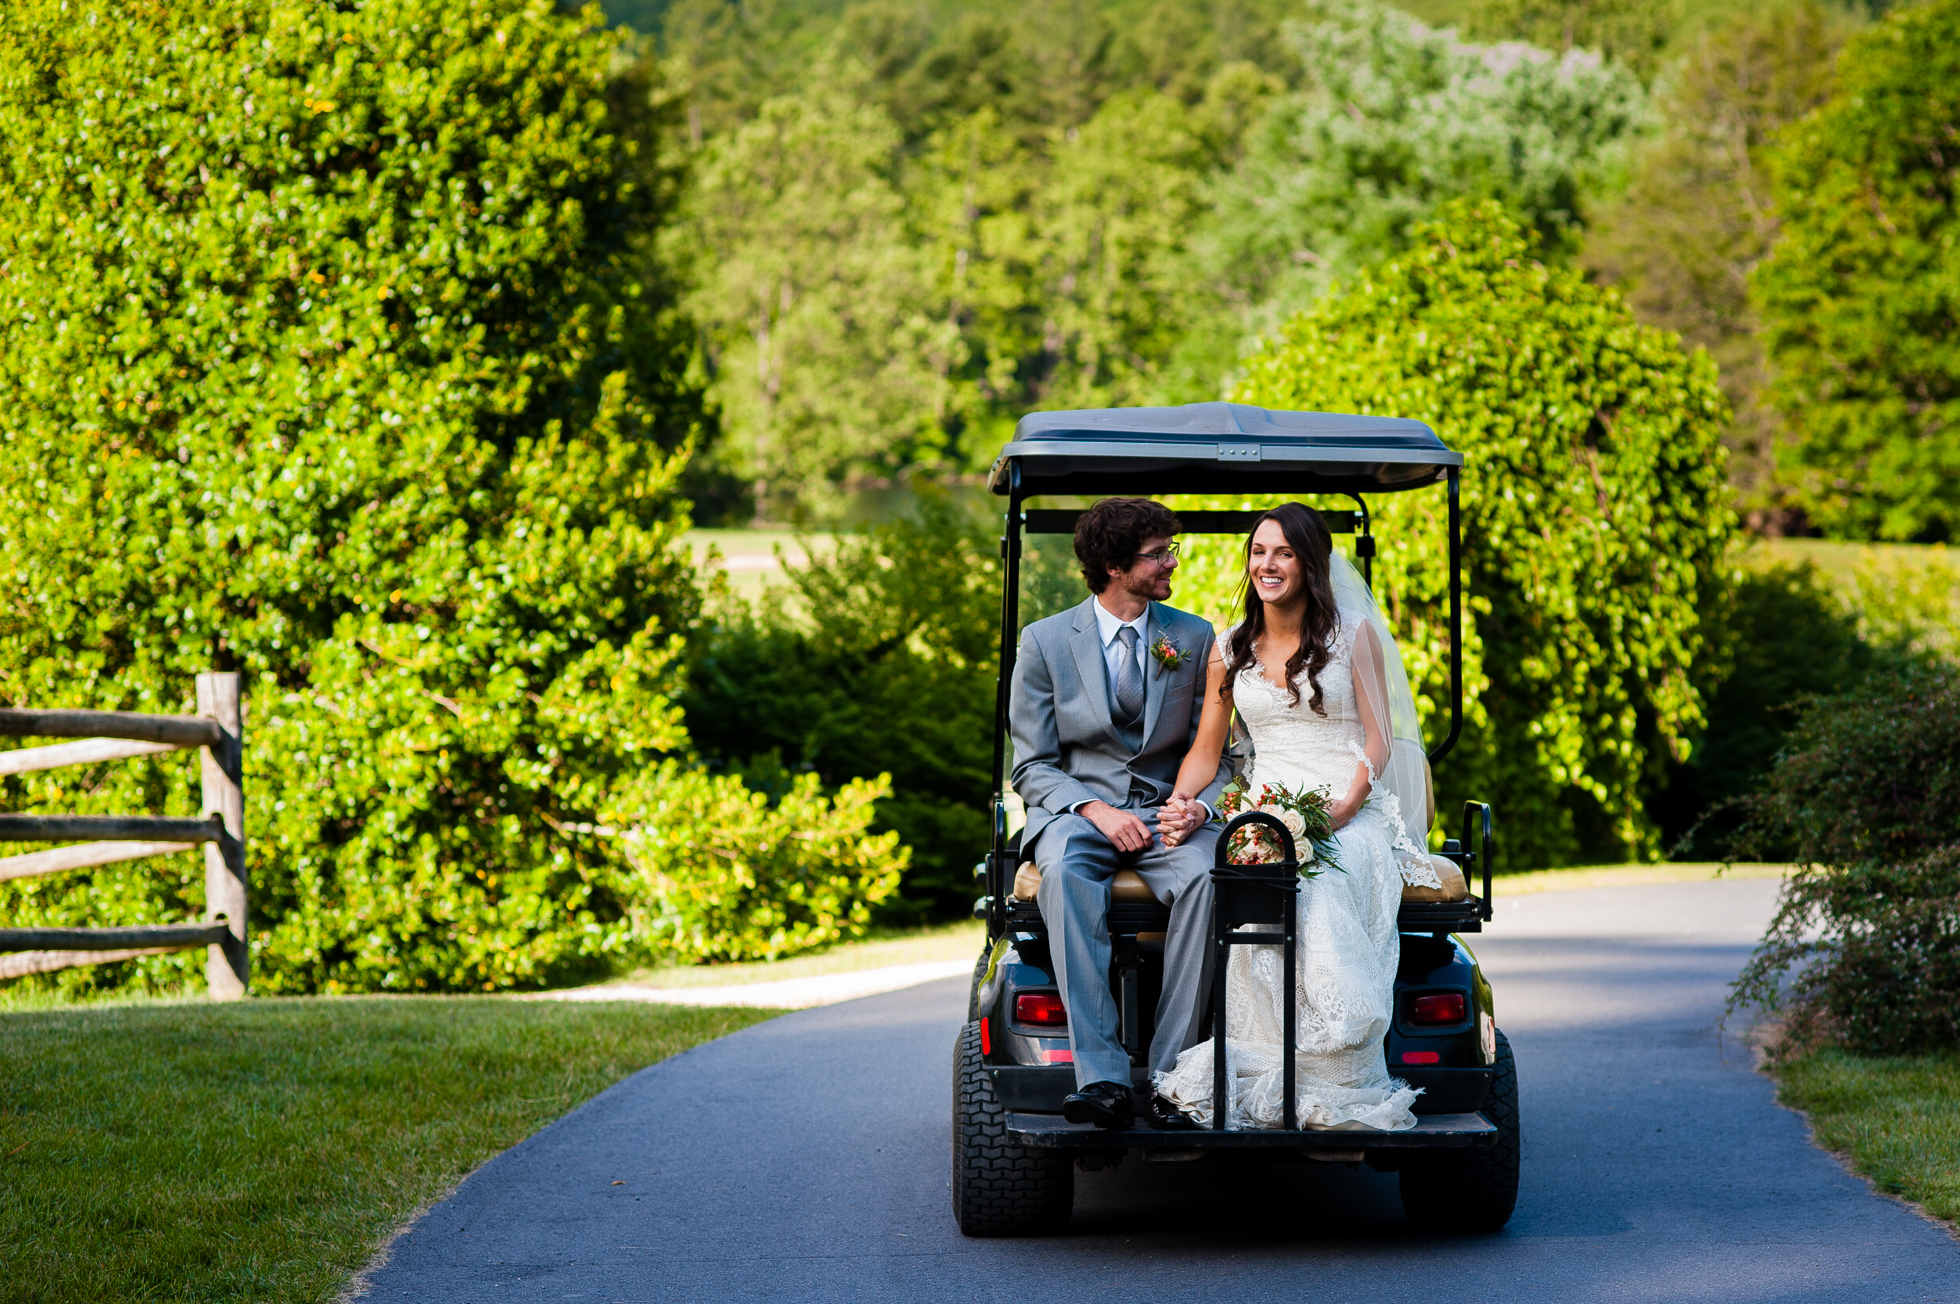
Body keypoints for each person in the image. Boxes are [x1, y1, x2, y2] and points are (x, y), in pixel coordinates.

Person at [1153, 503, 1438, 1130]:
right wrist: (1180, 802)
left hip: (1346, 805)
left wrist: (1346, 805)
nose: (1267, 564)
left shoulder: (1350, 636)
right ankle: (1261, 1059)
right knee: (1253, 884)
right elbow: (1207, 749)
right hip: (1268, 809)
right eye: (1259, 551)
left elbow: (1378, 737)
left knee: (1321, 884)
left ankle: (1334, 1064)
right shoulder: (1229, 648)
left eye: (1283, 552)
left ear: (1311, 564)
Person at [1009, 497, 1233, 1131]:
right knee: (1067, 876)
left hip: (1170, 816)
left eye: (1171, 549)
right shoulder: (1046, 642)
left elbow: (1221, 754)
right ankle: (1103, 1079)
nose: (1172, 563)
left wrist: (1197, 808)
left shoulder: (1193, 637)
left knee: (1208, 879)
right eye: (1158, 554)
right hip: (1081, 815)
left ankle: (1170, 1079)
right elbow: (1031, 765)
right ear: (1112, 565)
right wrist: (1096, 811)